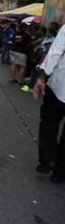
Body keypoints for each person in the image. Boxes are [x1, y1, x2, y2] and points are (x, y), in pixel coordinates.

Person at [33, 23, 65, 183]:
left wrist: (42, 77)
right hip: (60, 84)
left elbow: (55, 52)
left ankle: (48, 158)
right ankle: (60, 170)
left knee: (49, 120)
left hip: (60, 85)